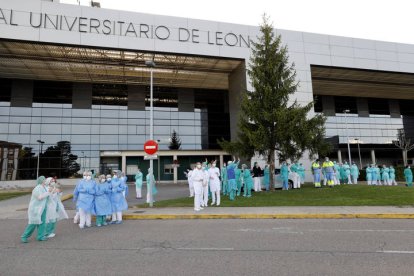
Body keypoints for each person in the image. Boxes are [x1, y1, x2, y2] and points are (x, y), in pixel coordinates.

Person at [21, 176, 51, 243]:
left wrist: (51, 192)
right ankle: (24, 236)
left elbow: (48, 196)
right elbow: (40, 197)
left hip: (43, 208)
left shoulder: (44, 188)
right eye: (44, 179)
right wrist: (48, 192)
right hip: (36, 209)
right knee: (33, 223)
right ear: (41, 181)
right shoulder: (37, 188)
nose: (45, 180)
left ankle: (41, 236)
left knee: (42, 223)